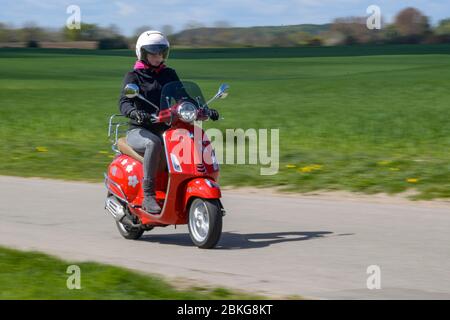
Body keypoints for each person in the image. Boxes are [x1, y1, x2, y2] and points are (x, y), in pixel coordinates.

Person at [119, 30, 219, 214]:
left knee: (189, 138)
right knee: (153, 143)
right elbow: (124, 103)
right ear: (142, 53)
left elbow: (183, 96)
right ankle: (148, 195)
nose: (158, 57)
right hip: (141, 129)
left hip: (166, 127)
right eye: (153, 53)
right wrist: (135, 113)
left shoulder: (169, 74)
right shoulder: (133, 76)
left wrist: (202, 108)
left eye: (161, 53)